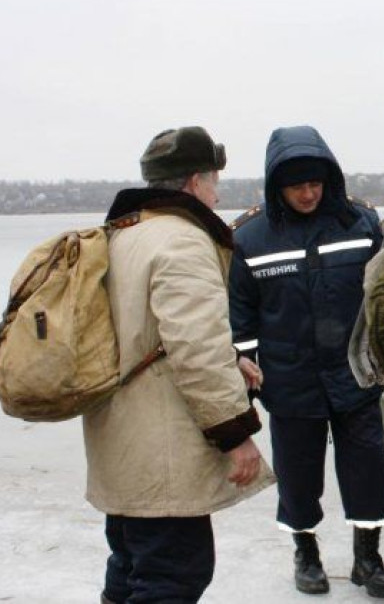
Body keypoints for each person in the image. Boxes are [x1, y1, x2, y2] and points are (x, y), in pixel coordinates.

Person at [83, 126, 275, 604]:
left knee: (129, 569)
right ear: (195, 182)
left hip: (121, 444)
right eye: (214, 182)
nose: (217, 195)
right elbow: (195, 348)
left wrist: (231, 358)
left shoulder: (122, 234)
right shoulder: (183, 242)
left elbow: (144, 332)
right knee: (172, 578)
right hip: (163, 453)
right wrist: (236, 434)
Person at [228, 125, 384, 598]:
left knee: (368, 469)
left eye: (315, 183)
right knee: (298, 477)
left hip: (356, 375)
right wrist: (246, 381)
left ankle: (369, 557)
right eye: (297, 186)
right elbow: (241, 322)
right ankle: (306, 554)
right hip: (289, 382)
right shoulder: (249, 238)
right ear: (276, 187)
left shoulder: (361, 223)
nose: (308, 194)